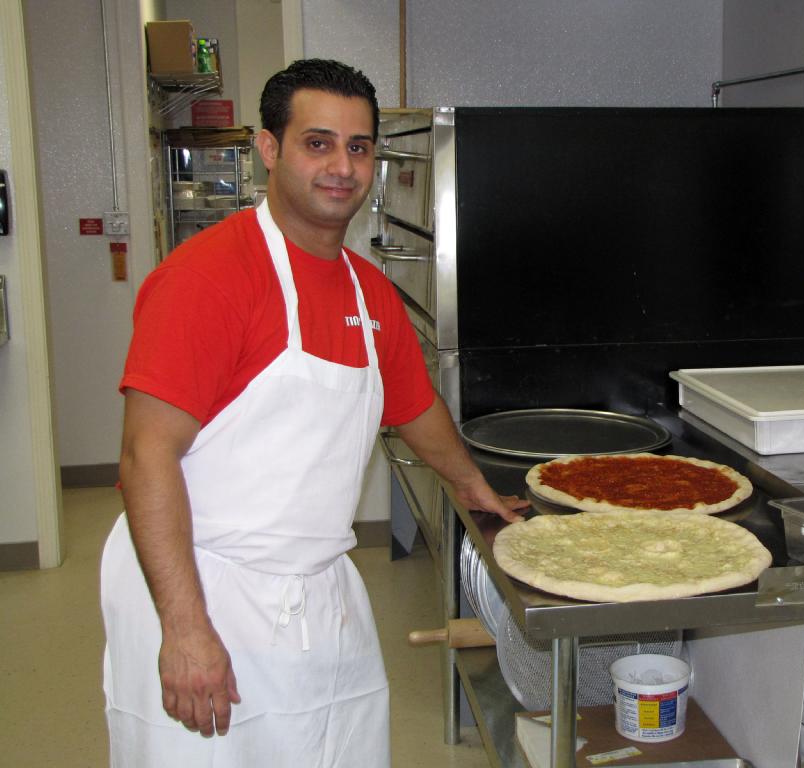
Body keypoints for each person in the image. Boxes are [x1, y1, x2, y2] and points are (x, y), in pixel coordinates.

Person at [100, 59, 526, 768]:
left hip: (321, 588)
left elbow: (415, 407)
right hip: (205, 585)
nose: (342, 167)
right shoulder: (205, 280)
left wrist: (471, 486)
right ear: (269, 149)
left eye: (358, 147)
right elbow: (147, 455)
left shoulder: (369, 292)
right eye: (317, 143)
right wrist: (184, 629)